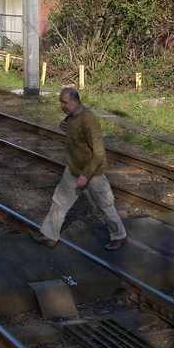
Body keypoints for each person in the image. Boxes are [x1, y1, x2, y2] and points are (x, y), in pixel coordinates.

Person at [30, 87, 128, 250]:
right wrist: (64, 122)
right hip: (73, 168)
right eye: (61, 102)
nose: (63, 106)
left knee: (105, 205)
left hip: (92, 172)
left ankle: (120, 236)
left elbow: (98, 153)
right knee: (59, 201)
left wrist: (86, 175)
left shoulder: (89, 121)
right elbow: (73, 123)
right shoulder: (73, 116)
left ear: (76, 102)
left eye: (66, 103)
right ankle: (49, 236)